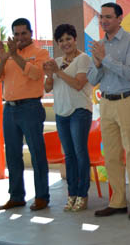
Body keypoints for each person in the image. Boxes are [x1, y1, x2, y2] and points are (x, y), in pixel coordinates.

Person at [87, 2, 130, 220]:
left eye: (109, 17)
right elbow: (92, 78)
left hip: (128, 100)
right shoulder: (99, 45)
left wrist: (105, 59)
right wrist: (98, 63)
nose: (104, 21)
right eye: (101, 17)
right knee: (111, 155)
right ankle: (118, 201)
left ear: (120, 18)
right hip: (106, 102)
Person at [0, 18, 50, 211]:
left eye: (23, 33)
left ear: (31, 33)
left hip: (30, 107)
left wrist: (15, 56)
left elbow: (35, 74)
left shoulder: (40, 52)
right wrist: (3, 59)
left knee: (36, 153)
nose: (19, 38)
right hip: (9, 109)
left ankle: (42, 196)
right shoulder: (7, 55)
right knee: (13, 154)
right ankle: (16, 196)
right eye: (16, 34)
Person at [43, 24, 93, 212]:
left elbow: (78, 84)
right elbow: (48, 88)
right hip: (61, 113)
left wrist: (57, 71)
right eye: (61, 40)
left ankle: (83, 194)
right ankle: (71, 194)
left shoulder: (84, 59)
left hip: (79, 111)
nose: (65, 43)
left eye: (68, 39)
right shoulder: (56, 61)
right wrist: (49, 75)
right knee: (69, 155)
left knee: (80, 153)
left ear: (75, 39)